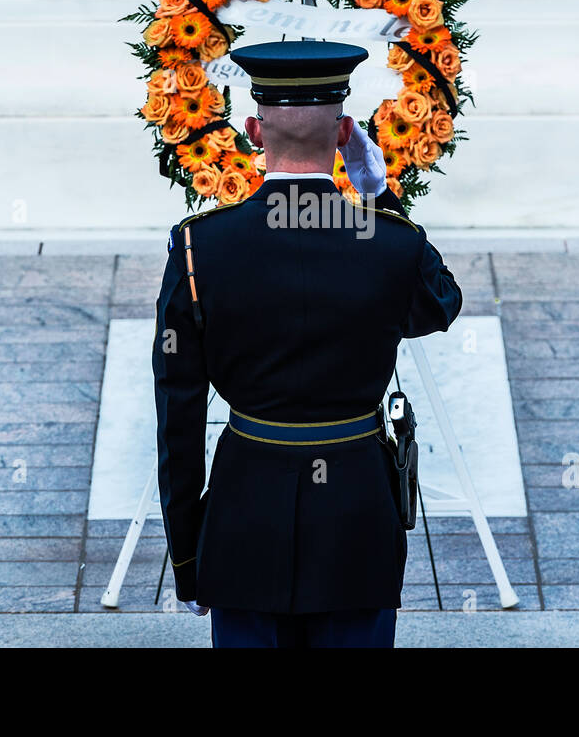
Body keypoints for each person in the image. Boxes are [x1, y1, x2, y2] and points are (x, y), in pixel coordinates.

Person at [152, 40, 462, 648]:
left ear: (250, 131)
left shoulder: (198, 248)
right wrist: (378, 195)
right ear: (347, 132)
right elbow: (441, 303)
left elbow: (178, 420)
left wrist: (189, 559)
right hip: (357, 521)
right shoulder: (391, 244)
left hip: (244, 519)